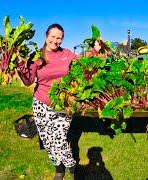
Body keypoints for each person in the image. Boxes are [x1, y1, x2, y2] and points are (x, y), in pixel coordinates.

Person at [16, 23, 103, 180]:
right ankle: (58, 169)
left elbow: (83, 61)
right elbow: (28, 81)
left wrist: (95, 50)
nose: (56, 41)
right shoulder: (36, 56)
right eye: (53, 37)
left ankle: (70, 165)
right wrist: (20, 64)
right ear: (46, 36)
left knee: (59, 139)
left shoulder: (67, 54)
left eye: (59, 38)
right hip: (41, 104)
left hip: (63, 105)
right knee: (47, 141)